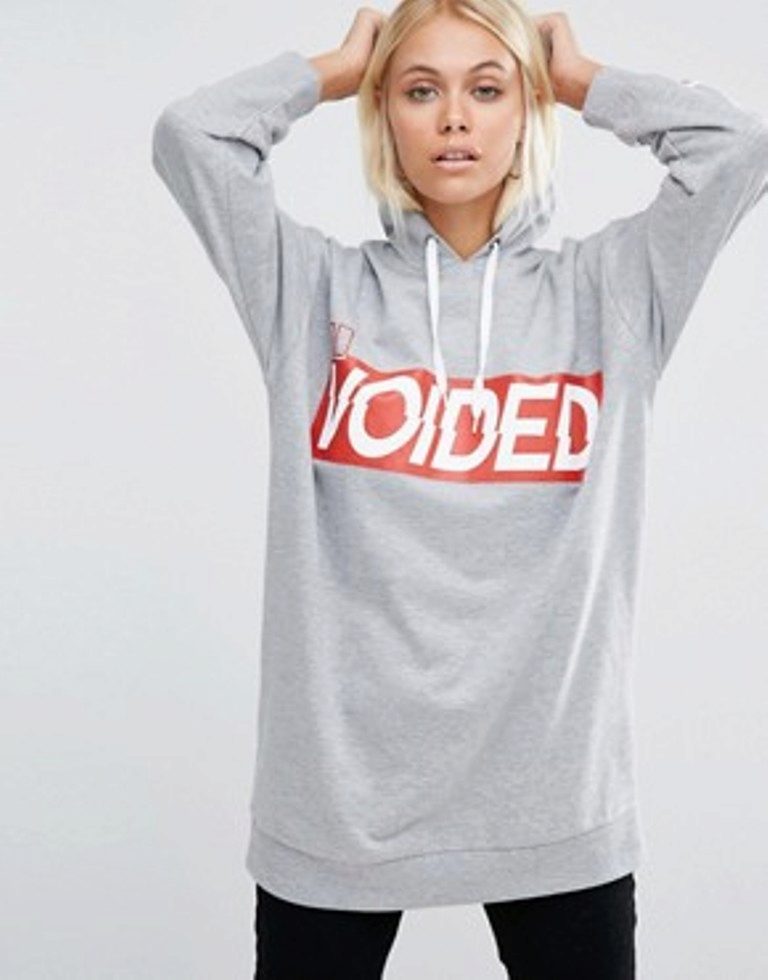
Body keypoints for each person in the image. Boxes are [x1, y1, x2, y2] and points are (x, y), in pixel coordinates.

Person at [151, 1, 768, 976]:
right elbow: (192, 138)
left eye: (487, 89)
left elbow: (740, 149)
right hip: (340, 805)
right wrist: (334, 68)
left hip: (553, 801)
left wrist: (583, 82)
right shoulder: (308, 291)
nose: (453, 118)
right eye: (418, 89)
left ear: (527, 110)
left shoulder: (612, 290)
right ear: (383, 115)